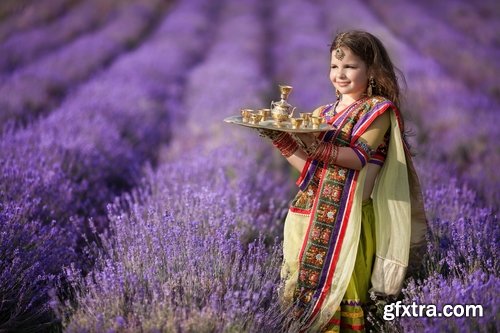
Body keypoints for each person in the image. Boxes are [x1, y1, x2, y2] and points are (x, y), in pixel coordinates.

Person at [257, 30, 427, 332]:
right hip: (307, 219)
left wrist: (315, 144)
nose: (340, 74)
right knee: (302, 304)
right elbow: (311, 170)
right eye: (335, 67)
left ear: (371, 70)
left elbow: (358, 157)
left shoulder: (378, 112)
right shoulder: (322, 113)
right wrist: (282, 141)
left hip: (350, 224)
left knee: (344, 303)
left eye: (350, 66)